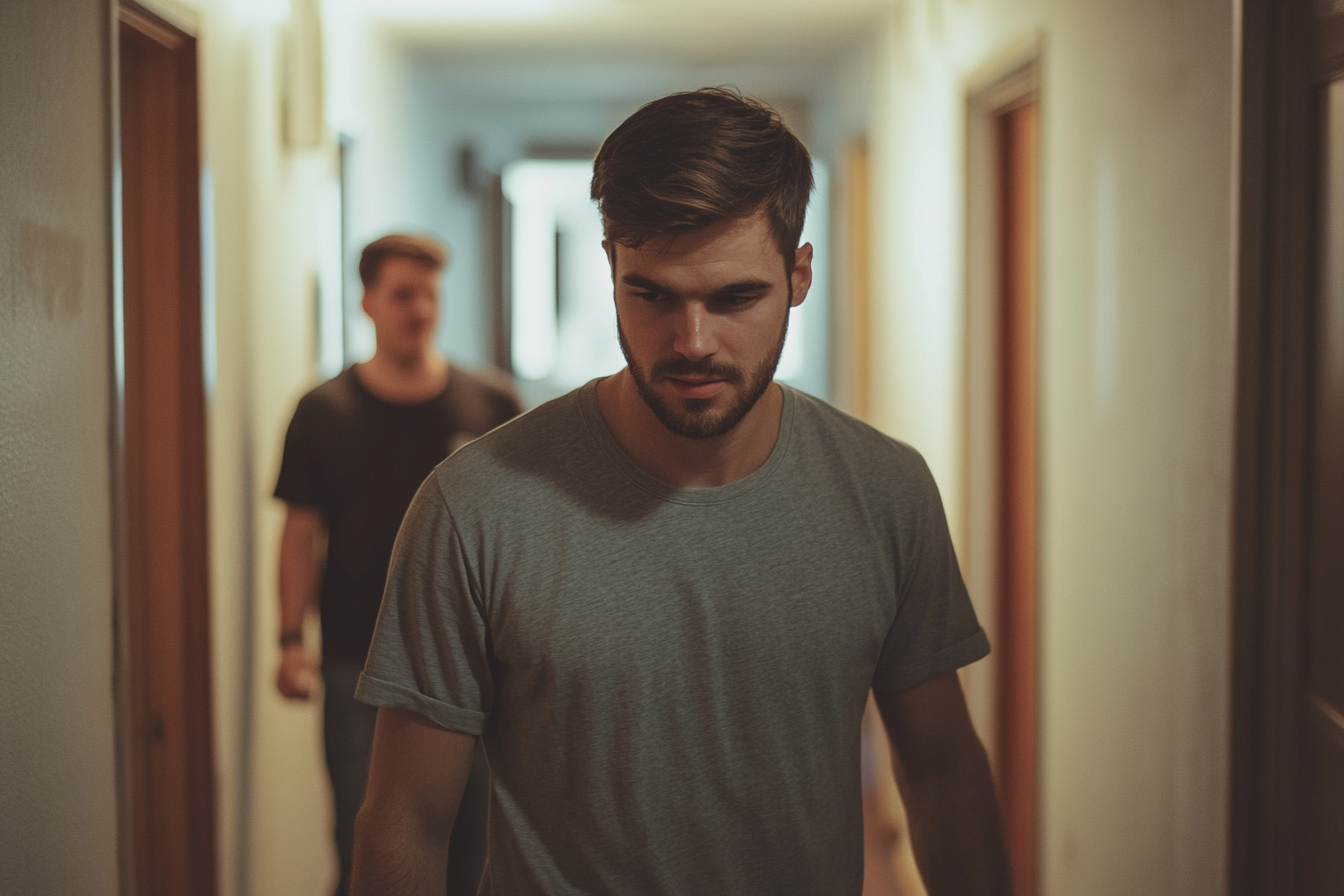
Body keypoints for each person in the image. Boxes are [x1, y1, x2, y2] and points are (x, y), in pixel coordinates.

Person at [351, 90, 1012, 895]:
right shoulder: (476, 507)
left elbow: (942, 771)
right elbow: (408, 821)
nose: (692, 343)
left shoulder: (883, 491)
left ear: (799, 274)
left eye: (735, 298)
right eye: (654, 294)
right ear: (610, 269)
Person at [273, 233, 522, 896]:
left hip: (475, 668)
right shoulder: (323, 411)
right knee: (370, 850)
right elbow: (302, 533)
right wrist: (291, 641)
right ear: (368, 303)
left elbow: (523, 533)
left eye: (430, 294)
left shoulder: (492, 406)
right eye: (403, 294)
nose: (420, 309)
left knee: (474, 854)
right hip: (359, 667)